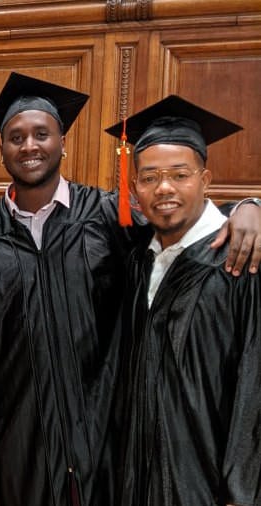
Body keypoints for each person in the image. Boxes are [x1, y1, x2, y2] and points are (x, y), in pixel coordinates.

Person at [0, 73, 261, 506]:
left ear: (62, 143)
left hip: (101, 417)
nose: (30, 146)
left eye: (41, 134)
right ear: (2, 150)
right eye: (16, 137)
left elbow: (181, 222)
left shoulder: (106, 215)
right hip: (16, 420)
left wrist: (248, 207)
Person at [105, 96, 261, 506]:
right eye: (150, 177)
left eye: (180, 175)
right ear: (135, 188)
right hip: (137, 470)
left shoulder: (240, 261)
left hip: (207, 479)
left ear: (206, 180)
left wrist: (242, 488)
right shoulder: (140, 256)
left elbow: (254, 382)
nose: (165, 188)